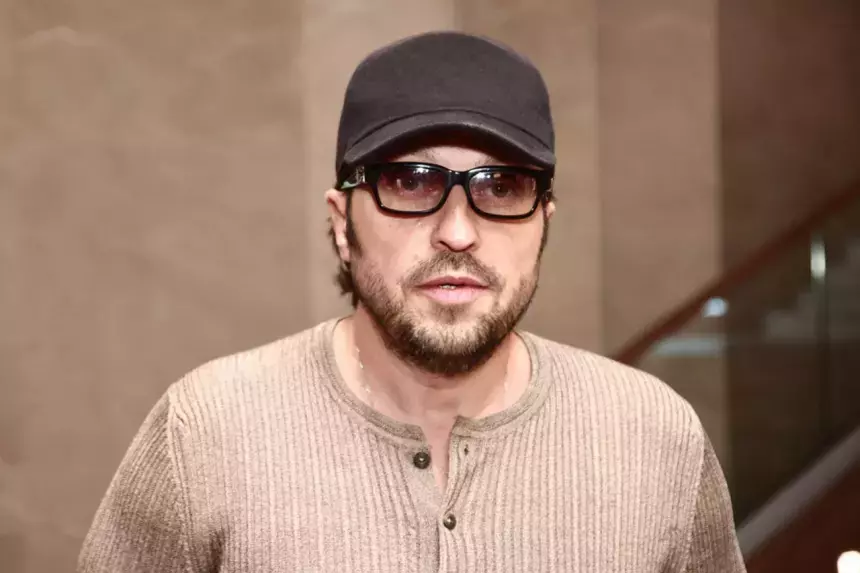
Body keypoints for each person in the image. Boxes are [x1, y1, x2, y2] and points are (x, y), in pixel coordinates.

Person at [78, 31, 746, 572]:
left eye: (501, 187)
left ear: (544, 222)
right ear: (342, 224)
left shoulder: (655, 439)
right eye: (410, 181)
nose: (457, 232)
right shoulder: (205, 434)